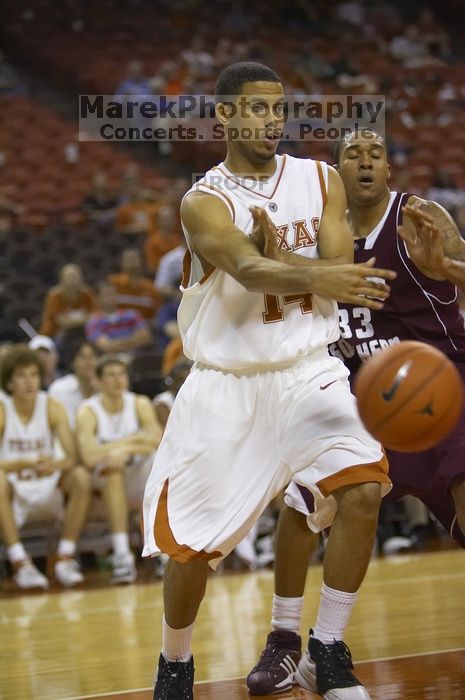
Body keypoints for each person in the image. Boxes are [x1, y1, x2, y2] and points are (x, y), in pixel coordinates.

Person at [141, 62, 397, 700]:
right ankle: (175, 664)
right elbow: (249, 269)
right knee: (192, 553)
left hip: (309, 369)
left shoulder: (318, 178)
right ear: (224, 115)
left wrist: (302, 265)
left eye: (278, 110)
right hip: (227, 383)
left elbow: (338, 263)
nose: (270, 121)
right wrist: (294, 268)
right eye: (255, 109)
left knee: (363, 488)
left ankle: (327, 650)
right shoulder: (204, 200)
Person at [247, 129, 465, 697]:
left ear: (389, 169)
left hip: (441, 390)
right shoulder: (323, 231)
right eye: (352, 154)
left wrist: (447, 266)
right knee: (301, 505)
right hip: (358, 401)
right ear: (336, 171)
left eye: (375, 153)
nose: (365, 161)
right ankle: (288, 641)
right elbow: (290, 290)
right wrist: (275, 258)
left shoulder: (419, 216)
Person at [0, 346, 91, 589]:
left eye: (34, 374)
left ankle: (64, 557)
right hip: (13, 487)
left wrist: (57, 464)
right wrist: (22, 463)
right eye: (21, 375)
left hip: (48, 483)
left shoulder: (52, 406)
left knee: (80, 476)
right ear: (9, 382)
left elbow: (72, 456)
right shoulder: (2, 410)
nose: (29, 382)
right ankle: (20, 562)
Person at [75, 355, 162, 584]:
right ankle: (122, 555)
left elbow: (156, 440)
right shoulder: (88, 411)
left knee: (159, 464)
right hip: (103, 488)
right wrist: (134, 442)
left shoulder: (139, 403)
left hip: (136, 478)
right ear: (99, 381)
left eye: (121, 374)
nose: (118, 380)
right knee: (111, 472)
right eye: (111, 375)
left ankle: (162, 548)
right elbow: (89, 457)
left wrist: (124, 451)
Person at [85, 281, 153, 355]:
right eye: (107, 295)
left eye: (113, 294)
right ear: (97, 298)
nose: (111, 298)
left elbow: (146, 337)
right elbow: (107, 347)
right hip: (110, 361)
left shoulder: (132, 314)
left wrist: (117, 343)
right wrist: (133, 340)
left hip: (137, 358)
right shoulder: (93, 322)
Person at [48, 339, 99, 428]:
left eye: (92, 356)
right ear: (72, 362)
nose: (89, 361)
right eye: (82, 357)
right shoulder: (59, 389)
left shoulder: (107, 388)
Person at [39, 264, 96, 339]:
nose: (73, 280)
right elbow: (62, 322)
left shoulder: (87, 293)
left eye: (76, 276)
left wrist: (70, 321)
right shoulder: (54, 295)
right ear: (61, 280)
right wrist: (84, 319)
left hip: (82, 333)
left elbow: (95, 317)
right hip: (53, 334)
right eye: (69, 277)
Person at [107, 248, 161, 323]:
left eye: (134, 259)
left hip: (144, 328)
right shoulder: (113, 282)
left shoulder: (150, 287)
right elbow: (104, 308)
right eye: (128, 259)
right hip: (116, 326)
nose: (131, 262)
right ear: (121, 263)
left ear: (141, 262)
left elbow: (157, 313)